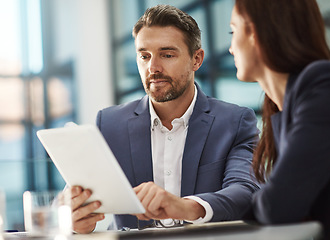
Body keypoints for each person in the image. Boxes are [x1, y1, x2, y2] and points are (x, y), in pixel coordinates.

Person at [71, 4, 260, 233]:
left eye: (167, 54)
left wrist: (183, 206)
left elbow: (244, 191)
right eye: (144, 56)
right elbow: (76, 194)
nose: (153, 67)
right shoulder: (109, 124)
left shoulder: (235, 122)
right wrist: (73, 216)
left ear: (196, 59)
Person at [228, 0, 330, 239]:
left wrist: (266, 199)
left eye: (233, 30)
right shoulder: (284, 106)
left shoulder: (327, 83)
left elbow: (278, 205)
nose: (230, 48)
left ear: (254, 32)